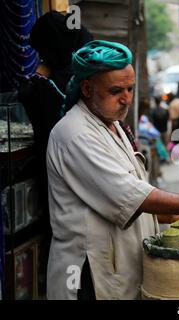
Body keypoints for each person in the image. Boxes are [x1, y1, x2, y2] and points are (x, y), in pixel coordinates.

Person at [46, 40, 179, 300]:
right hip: (87, 275)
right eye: (115, 91)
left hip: (121, 268)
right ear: (87, 88)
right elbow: (129, 195)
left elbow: (128, 198)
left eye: (130, 89)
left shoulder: (113, 125)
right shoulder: (75, 133)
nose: (126, 99)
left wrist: (168, 217)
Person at [17, 11, 93, 295]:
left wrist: (38, 76)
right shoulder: (81, 68)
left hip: (64, 179)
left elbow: (30, 95)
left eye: (43, 50)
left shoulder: (59, 82)